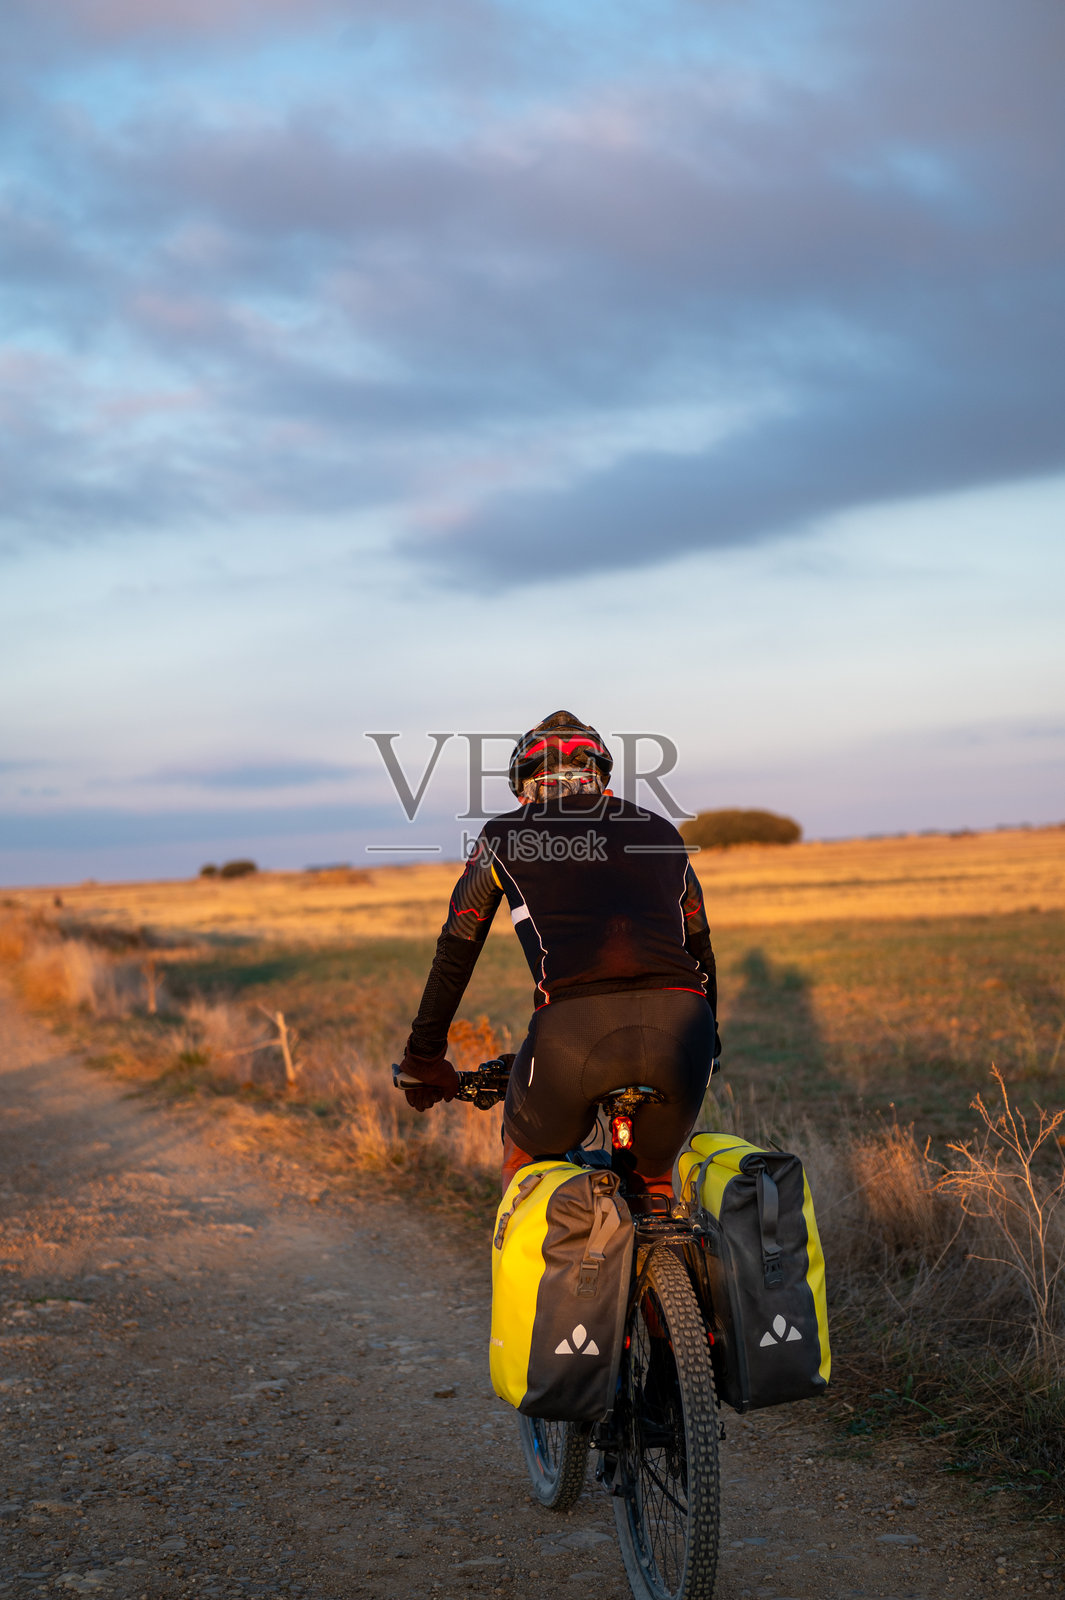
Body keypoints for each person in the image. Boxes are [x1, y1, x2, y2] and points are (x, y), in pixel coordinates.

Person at [395, 711, 720, 1204]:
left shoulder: (503, 835)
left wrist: (424, 1057)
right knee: (654, 1183)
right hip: (683, 1026)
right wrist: (709, 1041)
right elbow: (700, 945)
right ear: (601, 778)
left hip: (574, 1030)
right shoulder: (662, 832)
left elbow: (458, 944)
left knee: (524, 1165)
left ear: (525, 784)